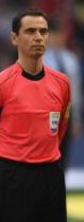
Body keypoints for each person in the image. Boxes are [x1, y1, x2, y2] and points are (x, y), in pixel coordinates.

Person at [0, 8, 71, 222]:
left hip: (51, 175)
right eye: (30, 31)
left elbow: (60, 128)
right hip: (12, 176)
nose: (38, 37)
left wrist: (47, 155)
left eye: (43, 31)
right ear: (14, 38)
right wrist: (0, 172)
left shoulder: (62, 83)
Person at [43, 22, 82, 170]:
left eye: (59, 35)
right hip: (49, 111)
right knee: (49, 148)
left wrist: (76, 118)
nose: (56, 39)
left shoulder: (71, 59)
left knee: (65, 149)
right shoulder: (42, 59)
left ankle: (61, 182)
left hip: (68, 110)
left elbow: (76, 90)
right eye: (53, 36)